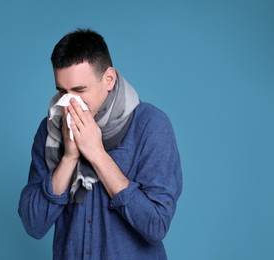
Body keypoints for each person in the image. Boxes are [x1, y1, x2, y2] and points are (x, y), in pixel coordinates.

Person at [18, 28, 182, 260]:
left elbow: (155, 225)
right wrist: (69, 158)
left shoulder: (151, 125)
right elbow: (34, 225)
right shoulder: (50, 130)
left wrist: (97, 154)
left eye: (79, 90)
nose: (68, 101)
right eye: (62, 91)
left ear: (109, 79)